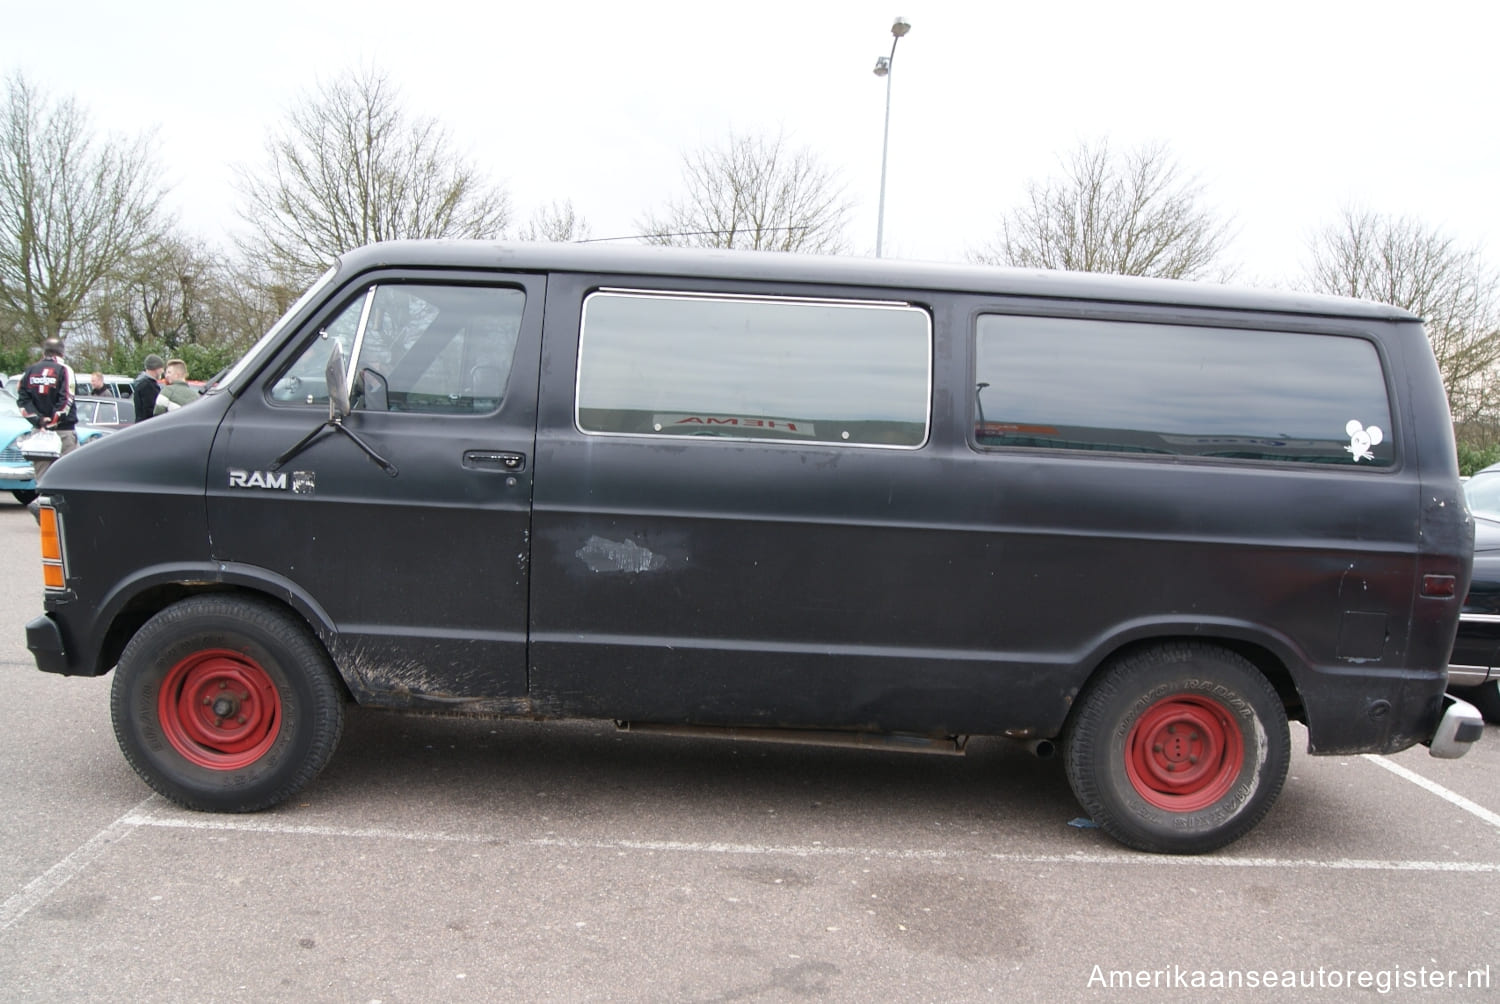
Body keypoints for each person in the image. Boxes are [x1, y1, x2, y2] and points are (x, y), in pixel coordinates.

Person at [15, 337, 78, 502]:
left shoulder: (29, 371)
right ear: (62, 351)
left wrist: (38, 420)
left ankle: (42, 511)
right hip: (63, 431)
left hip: (39, 432)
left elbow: (22, 400)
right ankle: (63, 517)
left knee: (42, 478)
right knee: (69, 474)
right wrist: (53, 420)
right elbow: (67, 400)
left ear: (44, 351)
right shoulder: (64, 369)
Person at [132, 355, 165, 422]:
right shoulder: (148, 386)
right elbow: (150, 410)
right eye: (161, 368)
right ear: (155, 368)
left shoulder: (141, 383)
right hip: (148, 425)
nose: (163, 371)